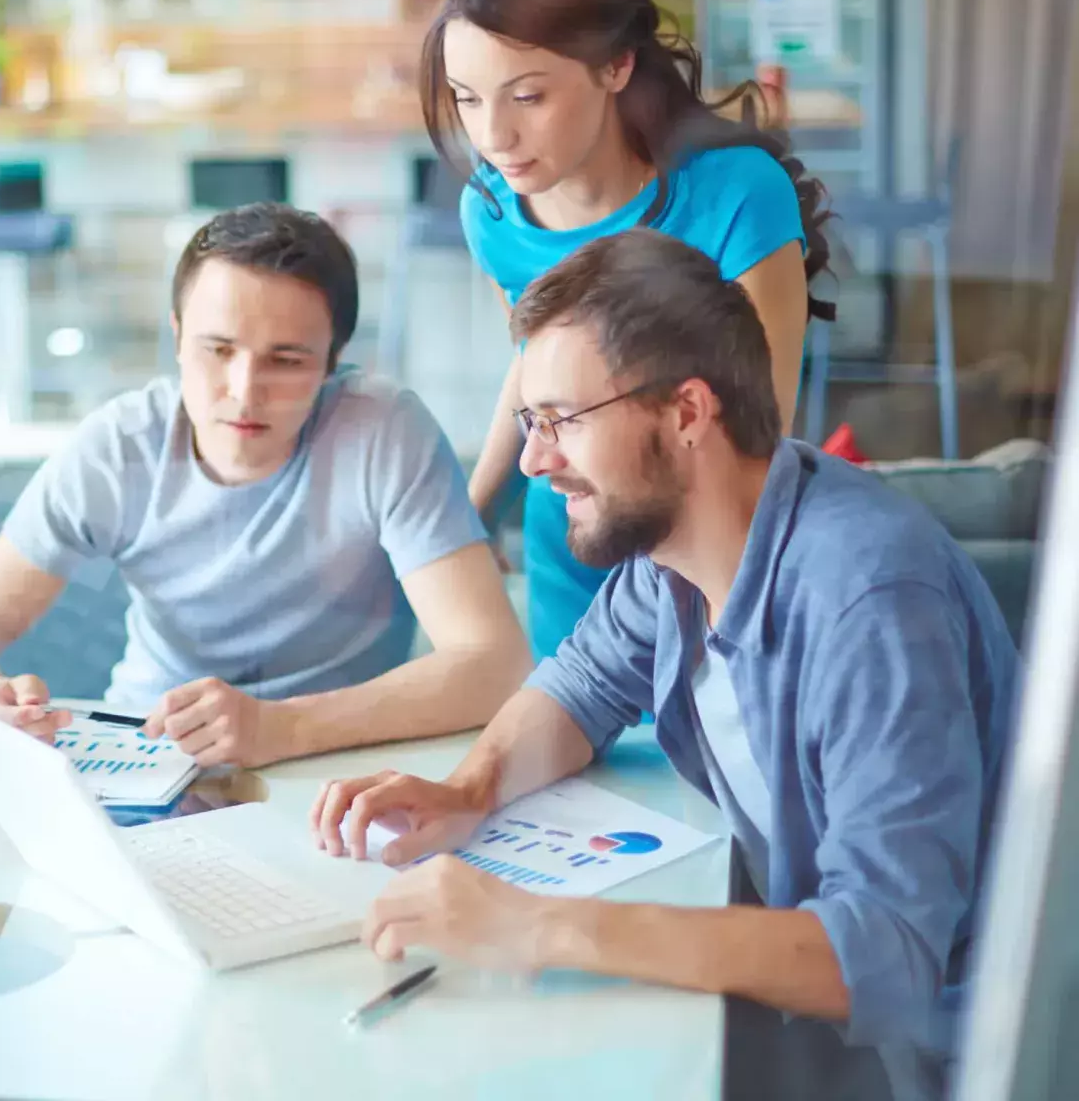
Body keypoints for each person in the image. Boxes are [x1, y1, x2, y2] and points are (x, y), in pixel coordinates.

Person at [310, 230, 1017, 1079]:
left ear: (686, 413)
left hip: (949, 1053)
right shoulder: (679, 552)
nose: (534, 461)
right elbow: (578, 686)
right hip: (815, 1009)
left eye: (559, 421)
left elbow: (886, 956)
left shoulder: (866, 599)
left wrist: (535, 925)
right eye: (528, 423)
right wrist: (469, 789)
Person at [0, 202, 532, 768]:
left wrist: (281, 728)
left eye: (286, 360)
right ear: (176, 336)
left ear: (333, 362)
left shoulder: (383, 432)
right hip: (146, 751)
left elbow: (493, 664)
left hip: (332, 757)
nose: (245, 392)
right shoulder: (117, 446)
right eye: (218, 350)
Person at [419, 0, 833, 659]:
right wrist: (472, 520)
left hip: (712, 554)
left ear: (614, 67)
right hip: (572, 543)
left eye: (527, 97)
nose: (493, 137)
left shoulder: (737, 194)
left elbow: (756, 435)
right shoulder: (492, 214)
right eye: (468, 98)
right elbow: (533, 379)